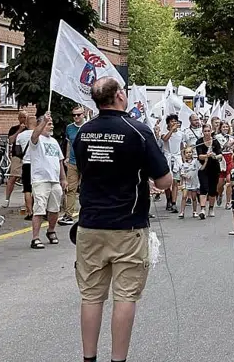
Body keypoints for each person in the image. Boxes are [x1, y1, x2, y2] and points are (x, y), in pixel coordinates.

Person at [73, 76, 174, 362]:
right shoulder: (138, 131)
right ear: (118, 96)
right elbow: (165, 180)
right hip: (127, 225)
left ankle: (88, 358)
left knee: (91, 295)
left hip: (90, 223)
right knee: (125, 296)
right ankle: (118, 359)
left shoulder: (83, 132)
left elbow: (82, 169)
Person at [27, 113, 66, 249]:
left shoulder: (54, 142)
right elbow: (34, 135)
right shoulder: (36, 140)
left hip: (54, 180)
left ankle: (51, 230)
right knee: (39, 208)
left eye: (51, 124)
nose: (52, 126)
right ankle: (35, 238)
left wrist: (63, 178)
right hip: (40, 180)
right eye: (49, 124)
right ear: (41, 125)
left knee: (54, 209)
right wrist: (44, 121)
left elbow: (59, 161)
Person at [60, 106, 88, 226]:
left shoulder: (88, 127)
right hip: (72, 161)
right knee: (70, 189)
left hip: (87, 162)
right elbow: (69, 143)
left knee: (86, 188)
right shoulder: (69, 128)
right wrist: (66, 157)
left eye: (78, 115)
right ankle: (68, 214)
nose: (76, 117)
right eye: (74, 115)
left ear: (83, 115)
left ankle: (87, 213)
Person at [4, 112, 30, 208]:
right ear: (18, 118)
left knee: (27, 179)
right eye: (21, 117)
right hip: (17, 156)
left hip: (28, 157)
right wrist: (19, 130)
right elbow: (10, 140)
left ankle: (27, 202)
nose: (23, 119)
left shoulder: (30, 130)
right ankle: (7, 199)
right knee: (13, 178)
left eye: (25, 117)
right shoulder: (14, 129)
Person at [177, 146, 200, 218]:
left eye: (190, 152)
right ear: (184, 154)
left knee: (194, 197)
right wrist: (185, 176)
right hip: (186, 183)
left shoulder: (195, 162)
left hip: (194, 183)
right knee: (184, 196)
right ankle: (182, 212)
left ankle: (195, 211)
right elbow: (181, 173)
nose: (188, 154)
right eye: (187, 153)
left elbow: (200, 168)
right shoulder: (183, 164)